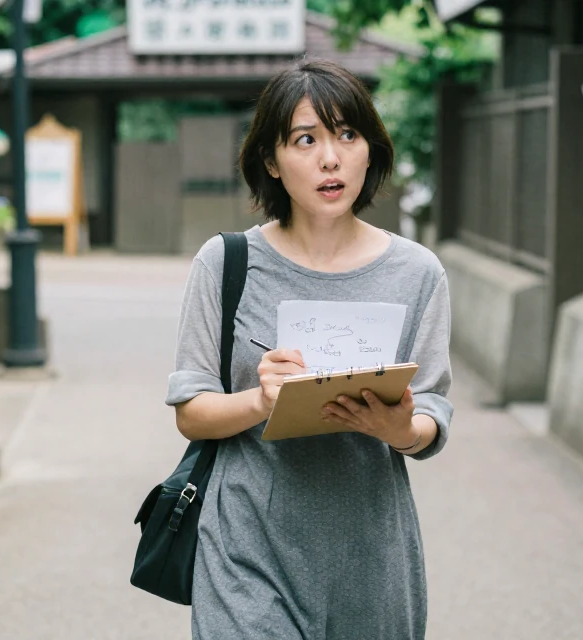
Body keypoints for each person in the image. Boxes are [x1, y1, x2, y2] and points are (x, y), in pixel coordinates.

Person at [165, 58, 454, 639]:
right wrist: (260, 400)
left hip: (370, 555)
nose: (331, 157)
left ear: (370, 151)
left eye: (348, 134)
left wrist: (400, 429)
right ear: (271, 161)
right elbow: (191, 411)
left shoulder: (417, 273)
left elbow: (431, 413)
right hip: (245, 548)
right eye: (306, 139)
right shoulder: (226, 264)